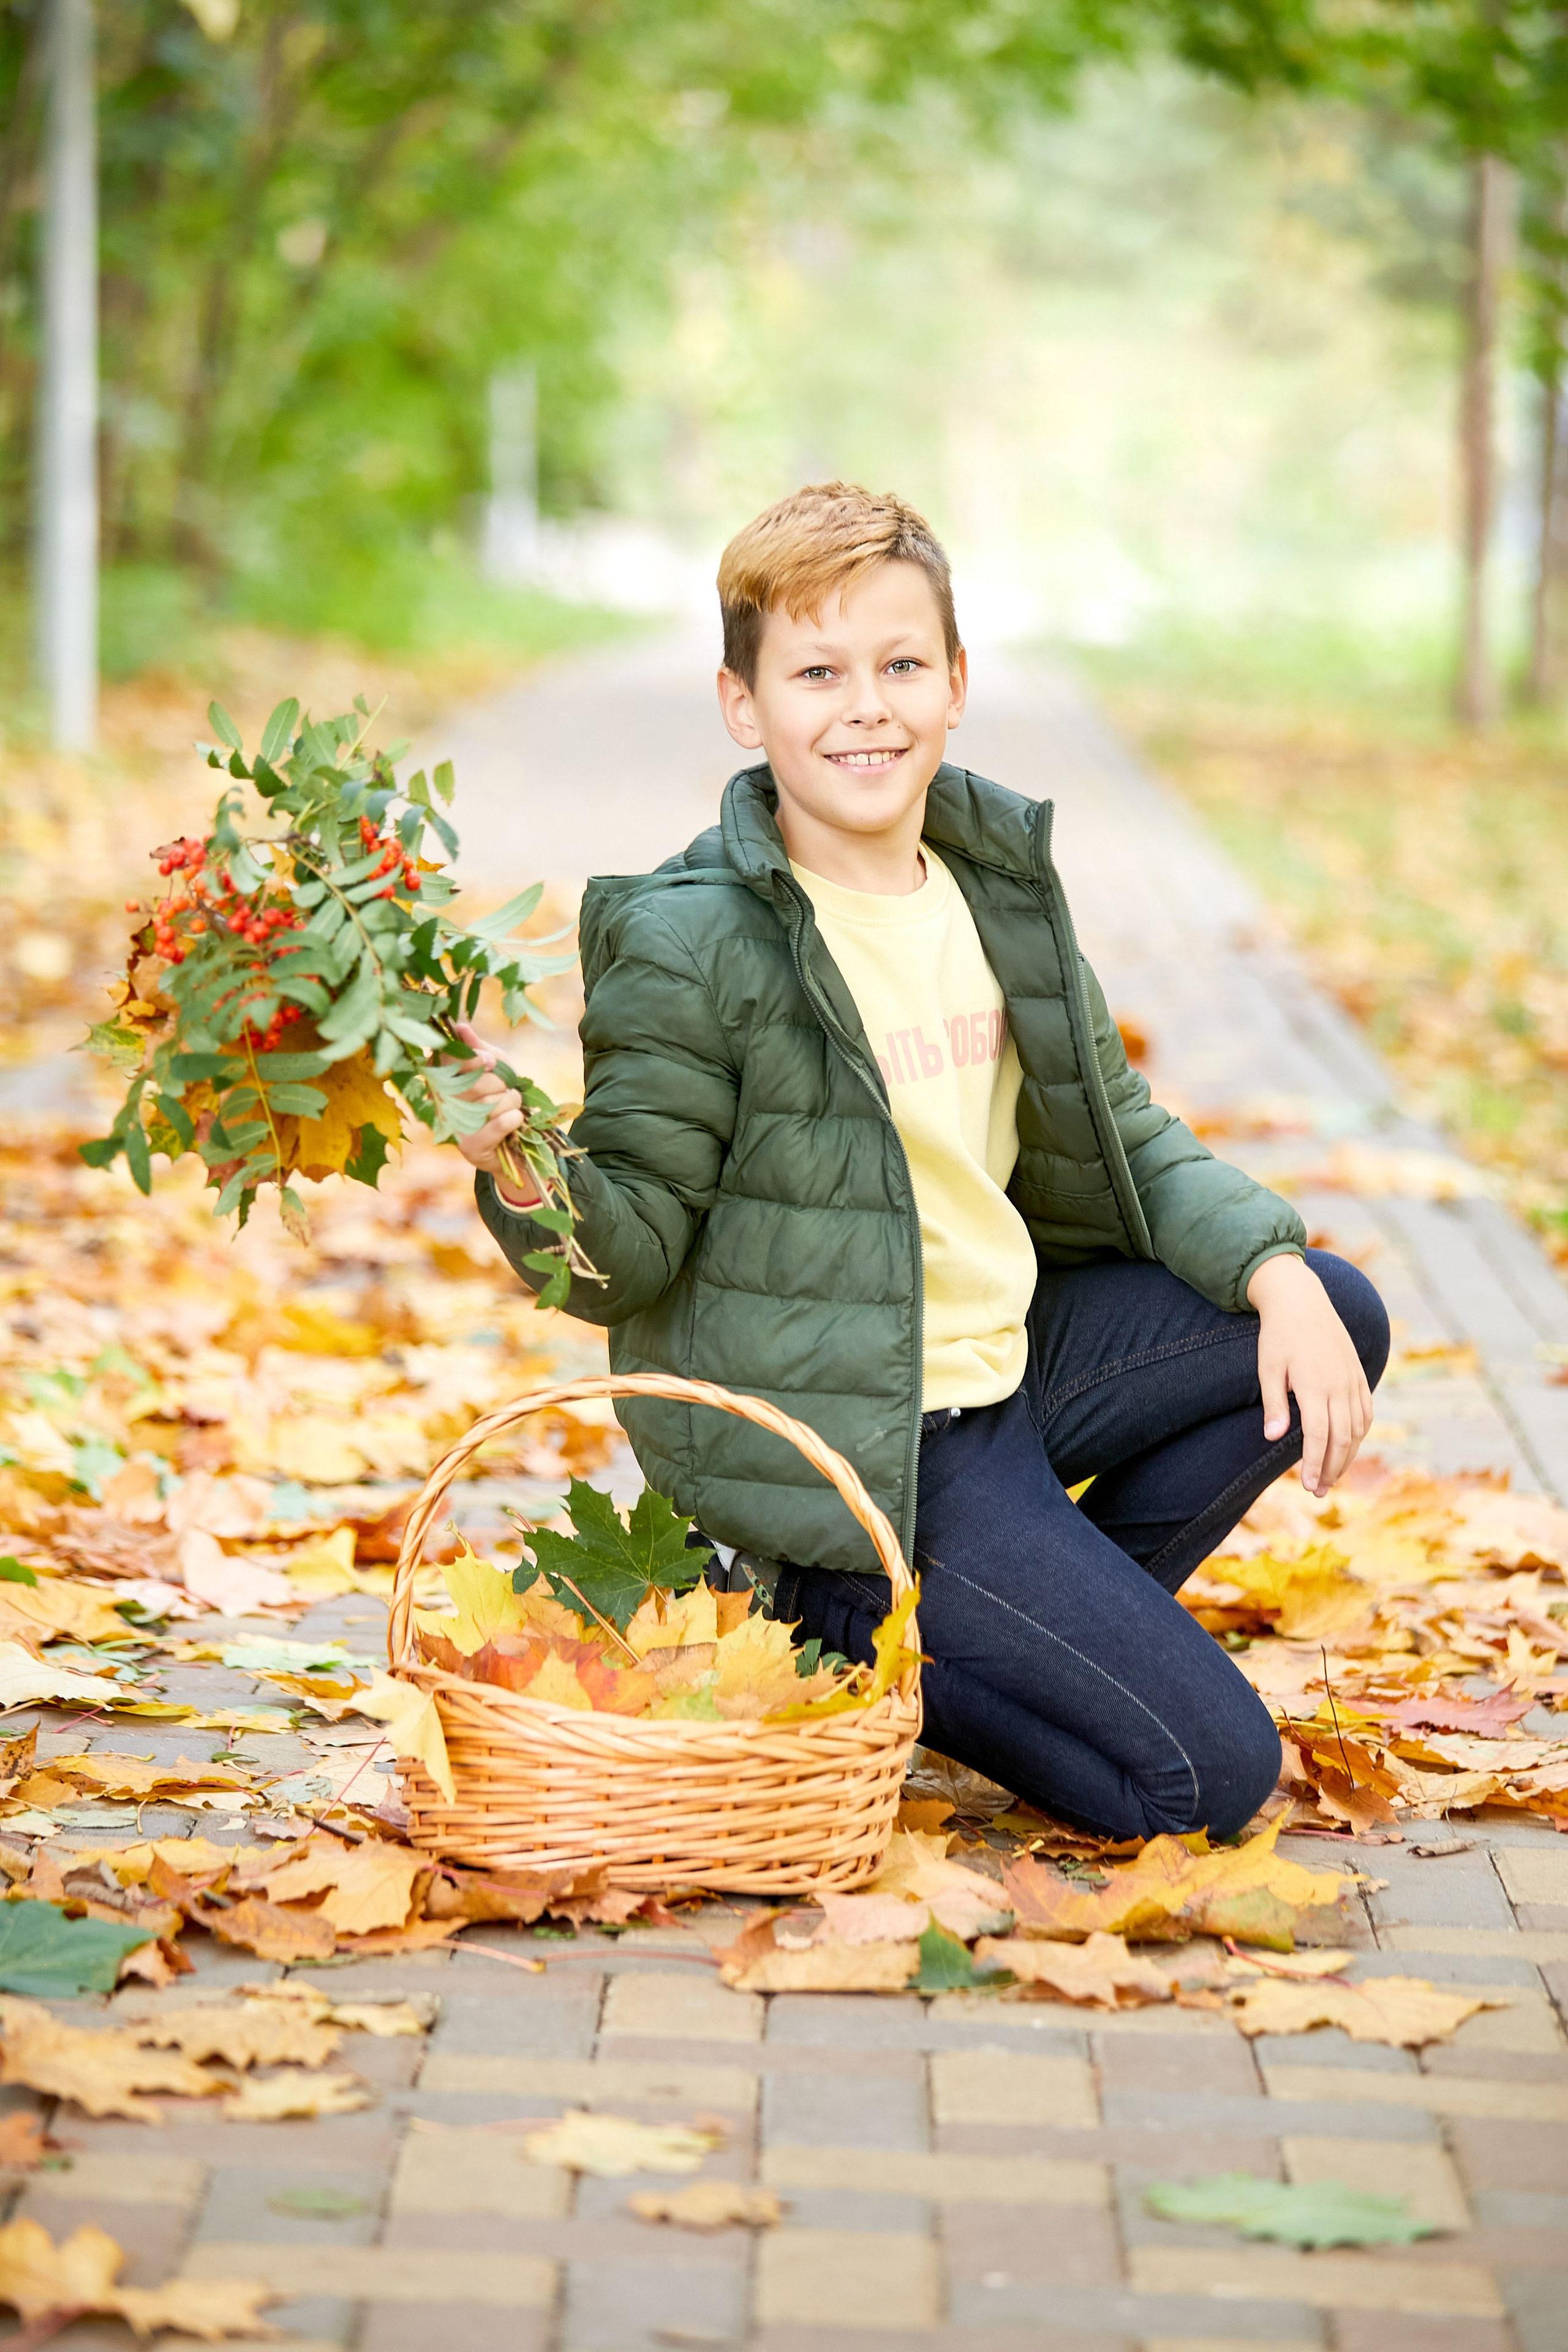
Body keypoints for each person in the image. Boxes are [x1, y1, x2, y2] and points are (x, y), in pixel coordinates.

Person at [455, 481, 1389, 1842]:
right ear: (742, 704)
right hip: (869, 1438)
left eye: (899, 666)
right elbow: (630, 1249)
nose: (864, 707)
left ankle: (1003, 1627)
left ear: (954, 684)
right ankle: (847, 1620)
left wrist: (1267, 1267)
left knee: (1329, 1310)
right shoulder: (690, 940)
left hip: (998, 1368)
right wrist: (518, 1164)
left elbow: (1123, 1123)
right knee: (1205, 1782)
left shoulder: (987, 879)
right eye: (815, 672)